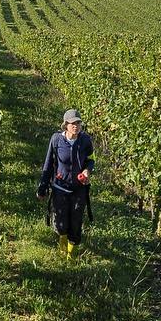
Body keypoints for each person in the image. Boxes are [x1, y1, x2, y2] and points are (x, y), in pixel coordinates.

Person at [38, 109, 94, 258]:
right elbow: (48, 164)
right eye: (72, 123)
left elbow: (91, 159)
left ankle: (71, 256)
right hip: (60, 187)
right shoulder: (56, 140)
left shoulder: (85, 140)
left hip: (79, 189)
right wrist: (42, 187)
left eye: (78, 123)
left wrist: (87, 170)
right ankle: (62, 244)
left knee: (75, 223)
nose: (76, 126)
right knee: (61, 224)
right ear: (65, 125)